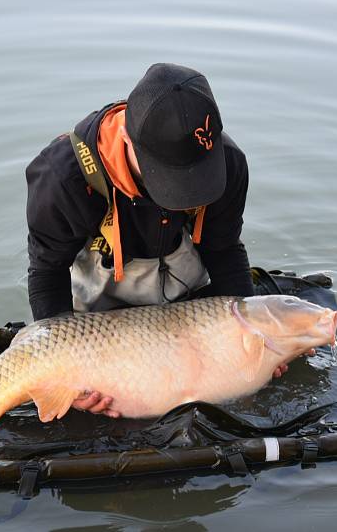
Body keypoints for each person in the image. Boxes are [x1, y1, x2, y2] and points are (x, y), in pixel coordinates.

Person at [25, 63, 257, 417]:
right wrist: (67, 378)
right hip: (98, 325)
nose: (190, 196)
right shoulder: (62, 180)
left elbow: (224, 249)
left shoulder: (229, 164)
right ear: (128, 140)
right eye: (174, 181)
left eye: (199, 179)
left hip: (190, 308)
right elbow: (46, 275)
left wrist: (253, 339)